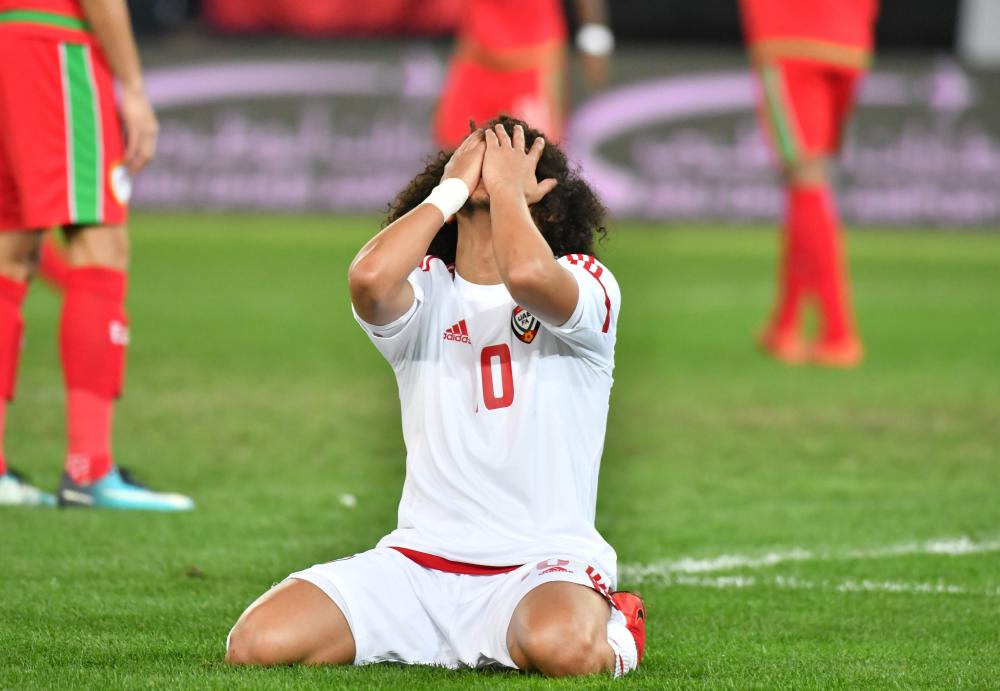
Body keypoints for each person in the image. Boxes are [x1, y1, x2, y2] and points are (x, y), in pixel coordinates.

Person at [225, 117, 645, 677]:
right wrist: (448, 191)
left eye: (511, 162)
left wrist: (502, 192)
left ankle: (618, 628)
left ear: (544, 200)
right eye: (482, 158)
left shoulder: (585, 283)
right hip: (417, 566)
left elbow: (525, 272)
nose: (492, 168)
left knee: (562, 649)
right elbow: (369, 278)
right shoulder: (425, 289)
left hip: (540, 568)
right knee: (255, 643)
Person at [0, 0, 194, 510]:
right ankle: (89, 467)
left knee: (9, 253)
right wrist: (132, 86)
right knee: (100, 246)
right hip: (54, 43)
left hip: (9, 42)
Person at [741, 0, 879, 367]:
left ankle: (838, 333)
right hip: (850, 37)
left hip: (790, 36)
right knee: (808, 181)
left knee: (806, 179)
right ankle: (784, 324)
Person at [434, 0, 612, 149]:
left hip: (533, 66)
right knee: (456, 161)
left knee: (538, 163)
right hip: (477, 62)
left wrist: (594, 37)